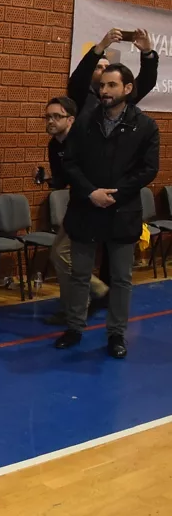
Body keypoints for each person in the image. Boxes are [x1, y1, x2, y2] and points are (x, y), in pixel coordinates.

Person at [57, 64, 160, 359]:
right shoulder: (85, 122)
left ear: (127, 88)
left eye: (111, 85)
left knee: (121, 278)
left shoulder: (145, 126)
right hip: (85, 207)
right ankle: (74, 327)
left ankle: (116, 334)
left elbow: (148, 169)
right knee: (79, 274)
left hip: (122, 210)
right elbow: (70, 163)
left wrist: (115, 194)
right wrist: (91, 192)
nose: (104, 91)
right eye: (102, 85)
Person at [68, 28, 159, 303]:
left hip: (116, 198)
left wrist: (147, 53)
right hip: (86, 193)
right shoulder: (84, 101)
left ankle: (104, 300)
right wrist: (101, 46)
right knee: (77, 266)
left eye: (109, 71)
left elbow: (146, 82)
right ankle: (76, 310)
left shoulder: (125, 107)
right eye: (99, 69)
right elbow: (78, 77)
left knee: (116, 268)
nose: (105, 82)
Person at [42, 97, 109, 326]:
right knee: (59, 254)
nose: (50, 121)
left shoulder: (83, 142)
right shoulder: (54, 146)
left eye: (56, 116)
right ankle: (90, 295)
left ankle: (83, 301)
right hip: (77, 203)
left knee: (62, 254)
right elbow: (62, 180)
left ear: (71, 120)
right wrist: (47, 179)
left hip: (93, 204)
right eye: (47, 117)